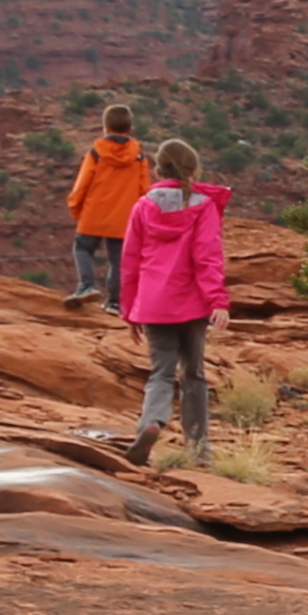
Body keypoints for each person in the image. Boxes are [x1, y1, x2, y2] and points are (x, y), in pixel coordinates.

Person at [118, 139, 232, 466]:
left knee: (161, 373)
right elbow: (207, 257)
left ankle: (151, 423)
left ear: (159, 168)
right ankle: (198, 449)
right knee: (193, 374)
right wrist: (218, 301)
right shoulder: (203, 206)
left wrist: (129, 310)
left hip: (154, 303)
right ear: (193, 169)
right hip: (194, 304)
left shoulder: (143, 206)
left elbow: (130, 261)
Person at [61, 106, 153, 304]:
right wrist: (142, 219)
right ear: (130, 128)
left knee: (83, 248)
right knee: (119, 259)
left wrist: (75, 207)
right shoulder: (139, 157)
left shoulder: (96, 153)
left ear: (105, 127)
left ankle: (87, 285)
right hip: (124, 216)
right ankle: (114, 302)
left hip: (94, 211)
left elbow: (82, 183)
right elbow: (145, 190)